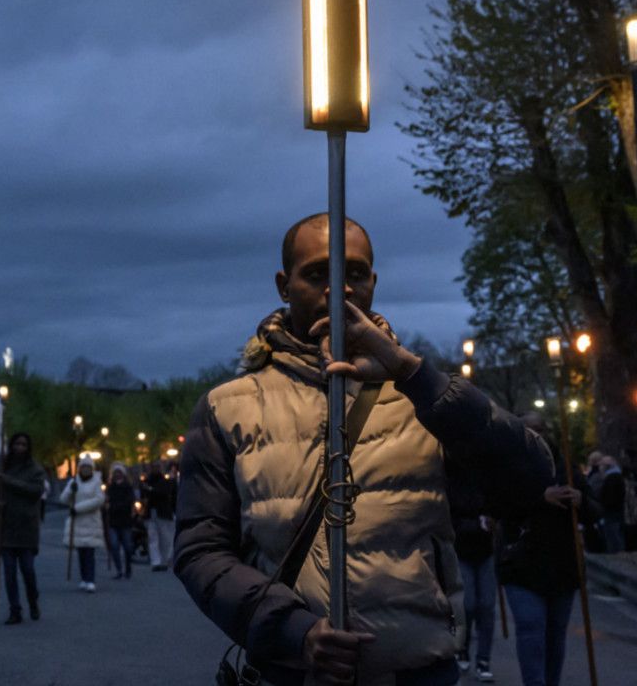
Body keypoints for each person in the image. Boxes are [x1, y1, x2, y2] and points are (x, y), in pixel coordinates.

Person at [175, 213, 553, 686]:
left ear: (373, 282)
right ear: (284, 286)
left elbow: (528, 481)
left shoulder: (426, 397)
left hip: (416, 673)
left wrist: (411, 374)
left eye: (354, 273)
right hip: (294, 674)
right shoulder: (228, 408)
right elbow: (201, 551)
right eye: (317, 273)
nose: (340, 289)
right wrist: (294, 631)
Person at [499, 413, 599, 686]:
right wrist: (540, 498)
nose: (535, 435)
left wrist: (580, 501)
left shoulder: (566, 467)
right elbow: (498, 504)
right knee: (531, 628)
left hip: (562, 565)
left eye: (540, 429)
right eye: (528, 429)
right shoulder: (507, 466)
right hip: (522, 565)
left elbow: (594, 510)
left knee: (555, 635)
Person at [0, 433, 46, 624]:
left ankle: (32, 600)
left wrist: (9, 481)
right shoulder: (2, 468)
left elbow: (35, 491)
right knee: (9, 572)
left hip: (26, 528)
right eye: (16, 444)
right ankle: (15, 609)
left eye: (23, 444)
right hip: (6, 527)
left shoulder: (35, 470)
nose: (19, 448)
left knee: (28, 570)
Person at [451, 472, 500, 683]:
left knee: (487, 606)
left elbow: (498, 507)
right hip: (462, 551)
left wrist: (494, 520)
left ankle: (483, 659)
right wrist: (476, 525)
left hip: (485, 552)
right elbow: (449, 517)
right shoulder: (453, 478)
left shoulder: (488, 477)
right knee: (468, 604)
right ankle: (462, 648)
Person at [58, 457, 106, 592]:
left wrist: (78, 508)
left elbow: (99, 500)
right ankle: (84, 578)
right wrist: (70, 490)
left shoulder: (96, 482)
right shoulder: (74, 481)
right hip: (78, 522)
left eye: (88, 467)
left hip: (90, 521)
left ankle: (90, 579)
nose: (85, 470)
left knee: (89, 552)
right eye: (83, 467)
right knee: (81, 552)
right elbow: (63, 499)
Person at [103, 464, 138, 580]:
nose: (117, 474)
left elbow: (130, 500)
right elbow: (106, 501)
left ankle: (128, 568)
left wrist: (117, 506)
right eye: (115, 473)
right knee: (114, 545)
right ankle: (119, 569)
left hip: (125, 520)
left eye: (119, 472)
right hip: (113, 521)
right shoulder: (110, 487)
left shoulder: (127, 487)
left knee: (127, 546)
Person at [141, 461, 176, 572]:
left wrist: (151, 490)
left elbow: (164, 492)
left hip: (163, 512)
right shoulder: (147, 481)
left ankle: (164, 561)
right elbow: (144, 494)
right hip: (151, 512)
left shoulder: (165, 481)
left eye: (157, 467)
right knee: (153, 538)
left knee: (165, 538)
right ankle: (156, 561)